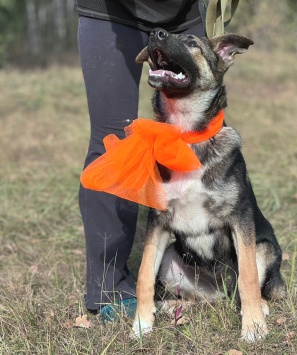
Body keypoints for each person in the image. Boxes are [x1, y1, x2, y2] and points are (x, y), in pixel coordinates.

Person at [76, 0, 207, 320]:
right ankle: (108, 287)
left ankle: (196, 269)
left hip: (187, 15)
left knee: (199, 140)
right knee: (114, 145)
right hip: (111, 13)